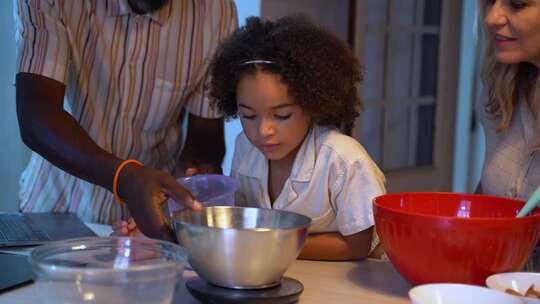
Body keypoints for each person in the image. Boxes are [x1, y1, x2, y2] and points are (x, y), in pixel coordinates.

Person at [117, 16, 386, 260]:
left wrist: (265, 243)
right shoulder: (246, 149)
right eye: (248, 116)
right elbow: (240, 226)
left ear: (313, 104)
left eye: (281, 116)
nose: (263, 131)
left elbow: (359, 245)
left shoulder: (344, 159)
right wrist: (159, 234)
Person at [15, 0, 238, 241]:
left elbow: (204, 142)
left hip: (145, 228)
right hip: (54, 213)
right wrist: (125, 177)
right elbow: (37, 113)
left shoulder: (215, 12)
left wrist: (192, 184)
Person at [477, 0, 540, 268]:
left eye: (517, 4)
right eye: (490, 1)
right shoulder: (500, 87)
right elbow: (493, 191)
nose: (492, 17)